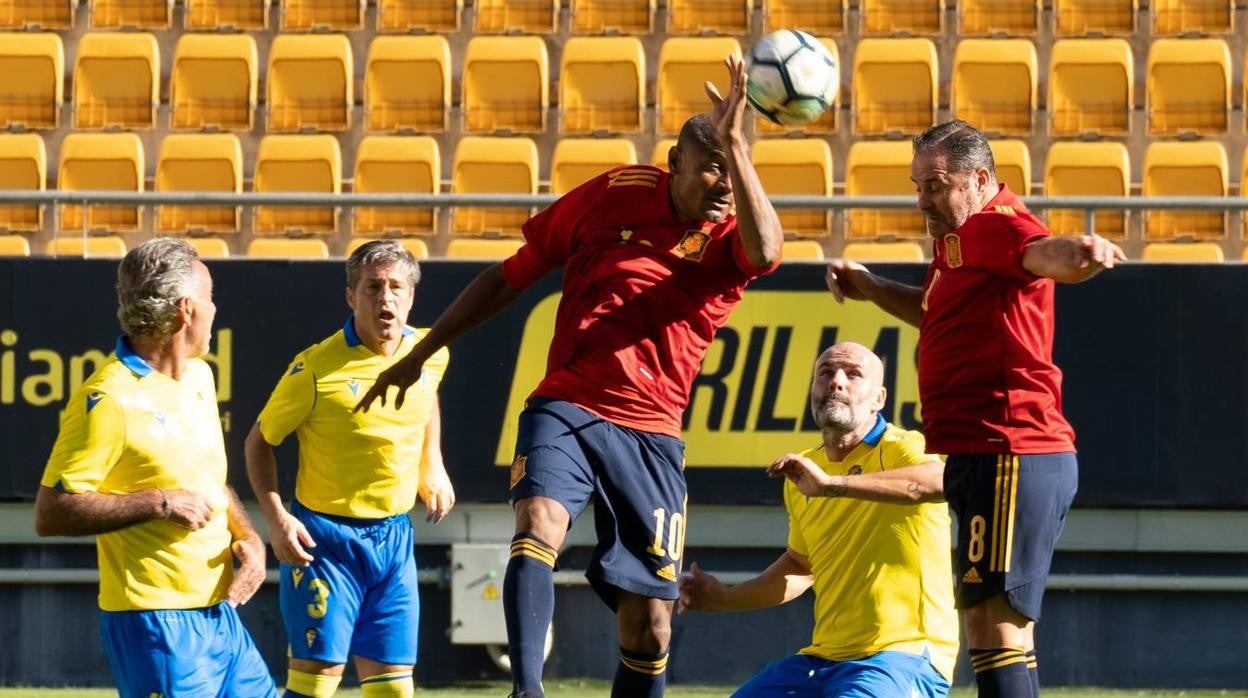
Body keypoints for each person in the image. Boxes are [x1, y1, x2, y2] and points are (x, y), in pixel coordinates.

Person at [356, 56, 783, 698]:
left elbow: (771, 250)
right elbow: (508, 276)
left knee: (651, 630)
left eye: (734, 167)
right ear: (676, 162)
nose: (724, 184)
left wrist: (738, 149)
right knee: (536, 524)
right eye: (712, 166)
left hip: (653, 435)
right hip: (568, 405)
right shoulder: (614, 194)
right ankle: (527, 692)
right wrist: (419, 355)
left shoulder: (730, 238)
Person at [823, 119, 1126, 698]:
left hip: (1011, 447)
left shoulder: (998, 225)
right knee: (995, 629)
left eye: (936, 185)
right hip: (980, 449)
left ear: (979, 178)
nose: (924, 200)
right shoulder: (957, 241)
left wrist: (1080, 252)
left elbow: (1042, 252)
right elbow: (939, 314)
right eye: (918, 186)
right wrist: (869, 286)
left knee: (996, 628)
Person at [34, 238, 275, 698]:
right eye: (210, 298)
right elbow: (51, 512)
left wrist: (246, 538)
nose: (215, 308)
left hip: (220, 615)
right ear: (186, 309)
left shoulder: (201, 377)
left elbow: (209, 481)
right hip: (156, 624)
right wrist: (157, 502)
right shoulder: (108, 398)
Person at [678, 342, 958, 698]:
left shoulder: (900, 447)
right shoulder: (805, 472)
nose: (836, 382)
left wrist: (832, 486)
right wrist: (726, 599)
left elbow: (940, 481)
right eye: (825, 373)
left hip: (904, 656)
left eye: (853, 374)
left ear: (879, 398)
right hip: (822, 658)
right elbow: (801, 565)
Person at [245, 240, 455, 698]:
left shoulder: (429, 351)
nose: (386, 299)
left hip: (394, 542)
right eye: (373, 287)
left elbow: (426, 395)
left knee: (394, 692)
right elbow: (259, 443)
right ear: (351, 297)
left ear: (412, 296)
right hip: (325, 543)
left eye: (396, 287)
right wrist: (277, 520)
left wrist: (431, 461)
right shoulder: (315, 369)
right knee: (315, 688)